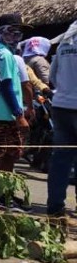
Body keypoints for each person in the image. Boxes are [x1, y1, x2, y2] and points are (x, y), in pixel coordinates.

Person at [0, 17, 28, 176]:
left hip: (0, 114)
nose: (16, 36)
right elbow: (6, 87)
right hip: (3, 116)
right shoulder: (5, 54)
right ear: (2, 32)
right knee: (5, 156)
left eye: (19, 32)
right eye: (12, 31)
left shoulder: (2, 52)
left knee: (1, 155)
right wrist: (19, 115)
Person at [47, 19, 77, 216]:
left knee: (60, 159)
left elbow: (52, 76)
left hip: (61, 105)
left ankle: (55, 206)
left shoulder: (65, 41)